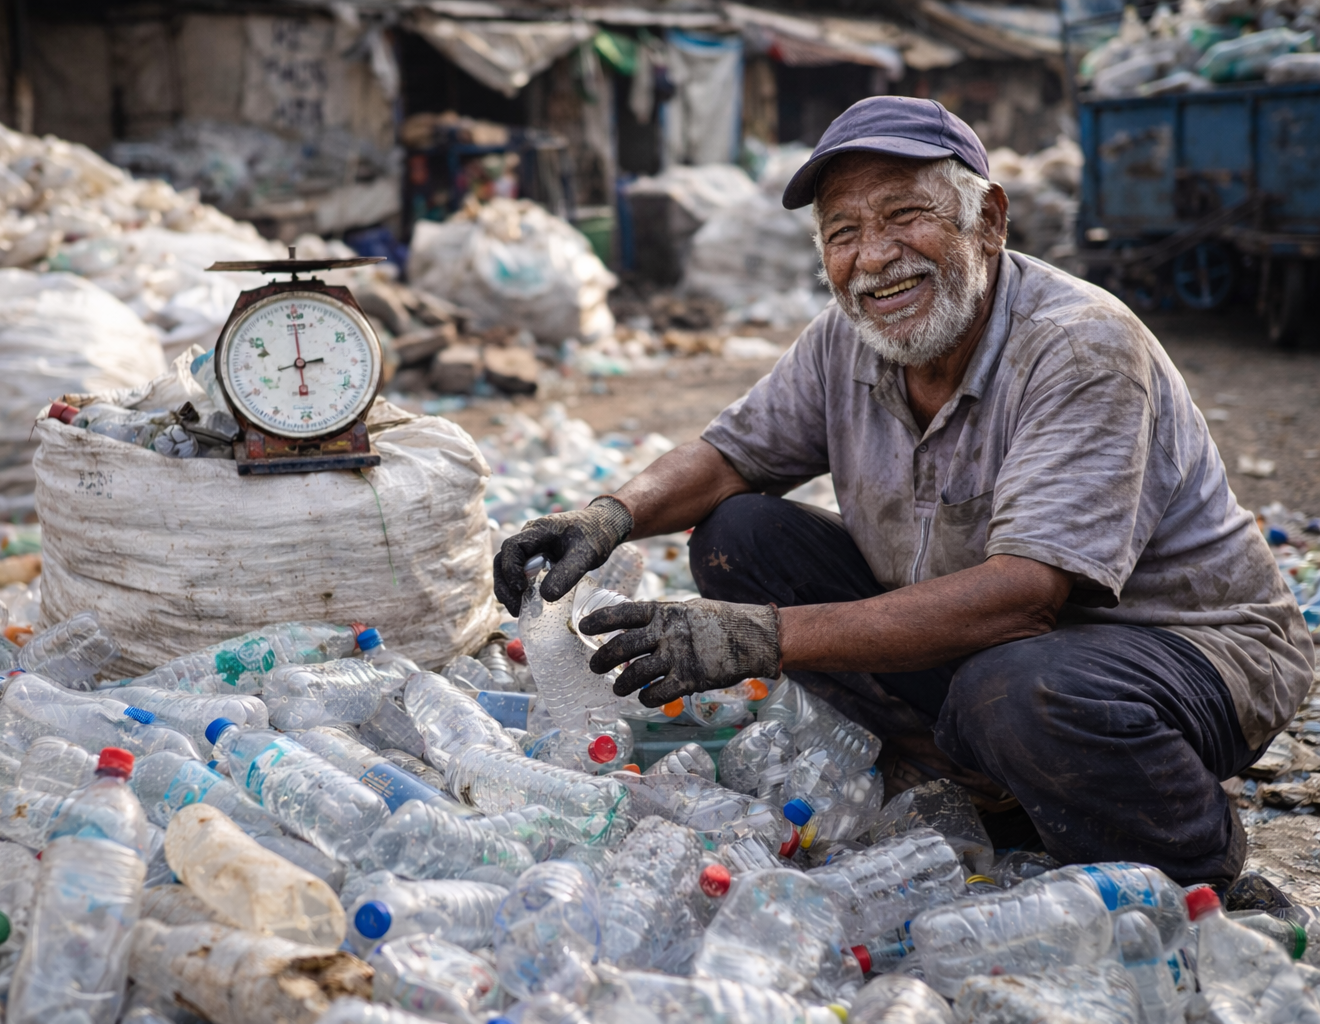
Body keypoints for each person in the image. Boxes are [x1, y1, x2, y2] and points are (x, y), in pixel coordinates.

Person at [493, 96, 1313, 887]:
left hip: (1181, 654)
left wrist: (762, 638)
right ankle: (974, 767)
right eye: (843, 232)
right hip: (1001, 645)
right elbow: (727, 456)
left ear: (988, 220)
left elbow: (1024, 598)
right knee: (737, 536)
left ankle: (1194, 853)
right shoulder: (848, 343)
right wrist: (607, 517)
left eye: (903, 217)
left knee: (1017, 691)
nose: (874, 256)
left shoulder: (1079, 346)